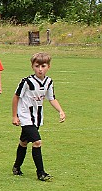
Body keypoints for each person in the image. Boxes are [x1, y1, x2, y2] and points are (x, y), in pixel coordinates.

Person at [12, 52, 66, 181]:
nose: (40, 69)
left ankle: (16, 167)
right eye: (37, 66)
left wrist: (60, 111)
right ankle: (41, 173)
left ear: (48, 67)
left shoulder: (49, 82)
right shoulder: (26, 82)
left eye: (43, 66)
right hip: (25, 116)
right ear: (32, 66)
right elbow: (16, 97)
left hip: (37, 117)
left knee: (23, 142)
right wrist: (15, 116)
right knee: (37, 142)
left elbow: (51, 98)